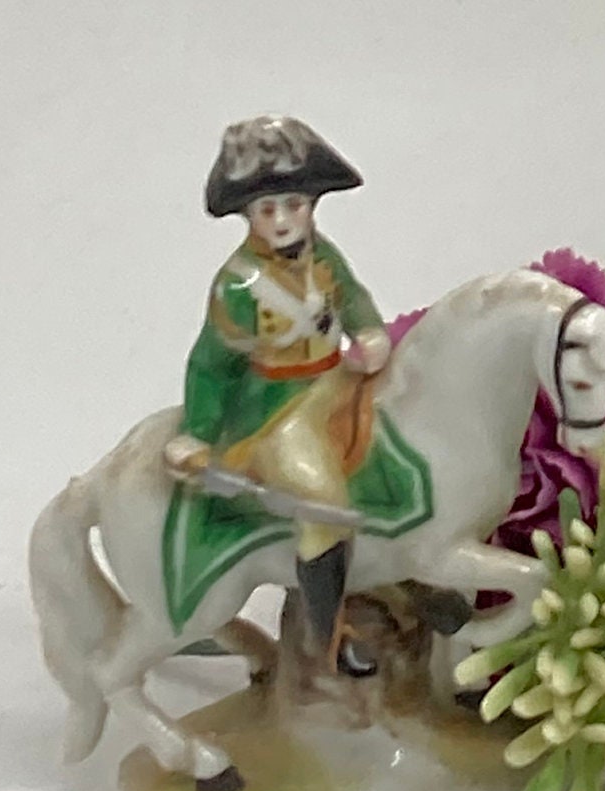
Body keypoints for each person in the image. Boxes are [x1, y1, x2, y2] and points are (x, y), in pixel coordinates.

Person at [162, 116, 428, 656]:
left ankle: (415, 581)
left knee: (401, 454)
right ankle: (329, 639)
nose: (283, 220)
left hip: (340, 378)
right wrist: (198, 430)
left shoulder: (323, 255)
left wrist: (369, 330)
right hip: (278, 409)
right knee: (323, 504)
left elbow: (350, 296)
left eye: (294, 205)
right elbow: (212, 363)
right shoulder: (237, 285)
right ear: (248, 215)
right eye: (267, 209)